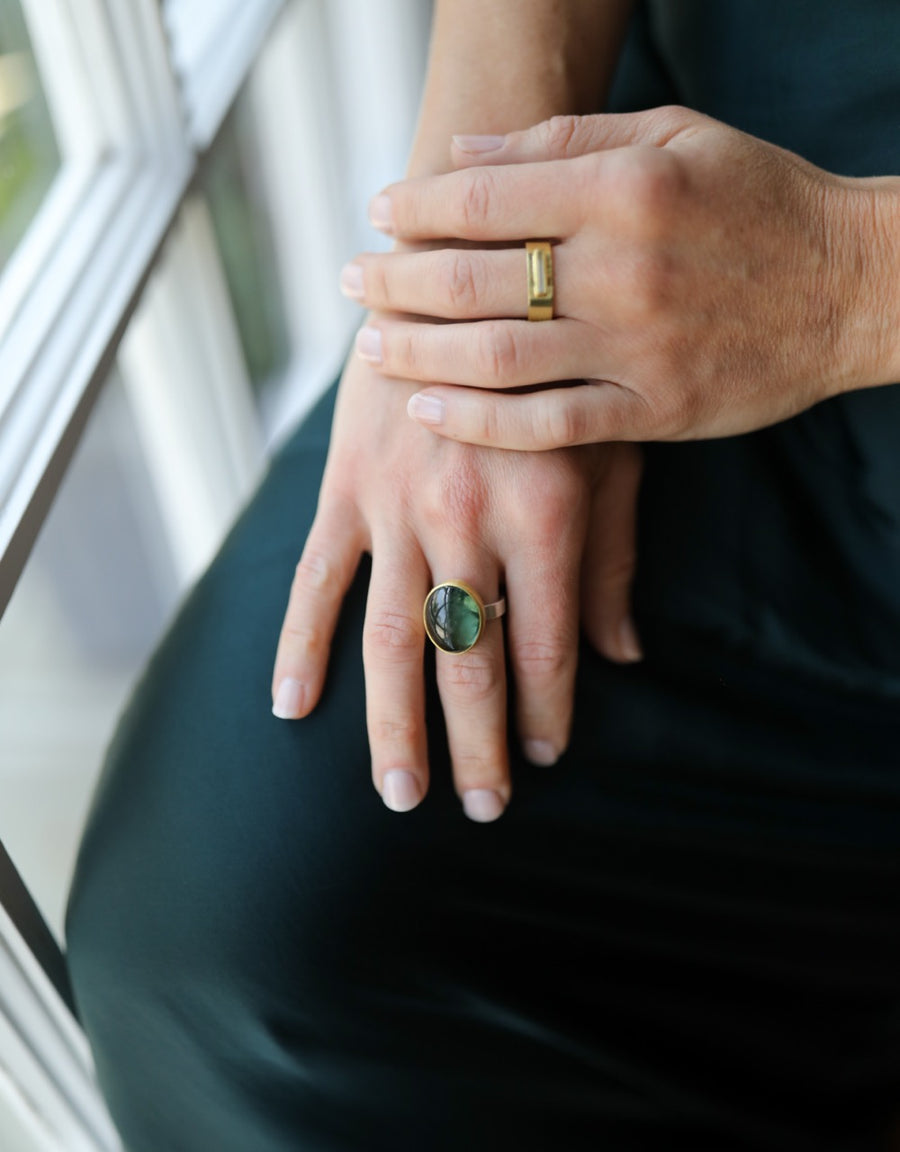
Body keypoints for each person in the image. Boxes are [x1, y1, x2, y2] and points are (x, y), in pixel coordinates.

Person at [66, 3, 900, 1149]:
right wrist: (485, 247)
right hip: (698, 219)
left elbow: (837, 274)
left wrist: (848, 275)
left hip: (815, 279)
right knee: (227, 947)